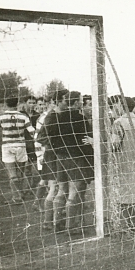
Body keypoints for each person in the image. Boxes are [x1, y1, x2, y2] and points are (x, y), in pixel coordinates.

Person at [45, 91, 94, 234]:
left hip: (60, 157)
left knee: (62, 190)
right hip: (75, 158)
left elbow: (52, 138)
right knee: (75, 191)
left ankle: (57, 223)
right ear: (76, 102)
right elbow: (85, 141)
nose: (81, 102)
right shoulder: (80, 119)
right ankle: (71, 227)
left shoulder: (59, 117)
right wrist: (90, 159)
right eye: (80, 100)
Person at [0, 96, 35, 205]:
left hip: (7, 147)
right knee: (20, 172)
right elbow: (32, 131)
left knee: (12, 174)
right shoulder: (23, 116)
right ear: (17, 104)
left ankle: (16, 197)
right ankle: (19, 194)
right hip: (21, 146)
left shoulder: (1, 117)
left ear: (6, 104)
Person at [110, 97, 135, 230]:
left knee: (125, 193)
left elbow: (113, 145)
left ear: (123, 106)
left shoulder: (118, 123)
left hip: (124, 161)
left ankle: (128, 224)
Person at [35, 90, 69, 231]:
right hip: (53, 155)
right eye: (65, 100)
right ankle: (50, 222)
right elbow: (40, 138)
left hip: (59, 154)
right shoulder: (51, 116)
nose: (67, 102)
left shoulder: (62, 115)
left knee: (60, 188)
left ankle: (54, 221)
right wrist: (56, 142)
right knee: (56, 187)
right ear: (58, 101)